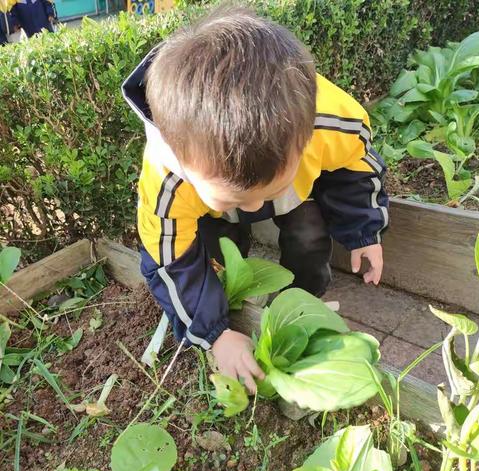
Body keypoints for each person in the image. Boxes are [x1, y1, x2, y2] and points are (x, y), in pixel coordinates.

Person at [122, 6, 389, 393]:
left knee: (308, 232)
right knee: (216, 247)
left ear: (304, 139)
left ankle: (301, 302)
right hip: (208, 210)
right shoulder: (167, 184)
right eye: (236, 198)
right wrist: (215, 335)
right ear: (183, 163)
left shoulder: (333, 124)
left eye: (266, 193)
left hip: (297, 192)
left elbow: (356, 172)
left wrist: (364, 231)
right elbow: (170, 263)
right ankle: (227, 296)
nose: (251, 210)